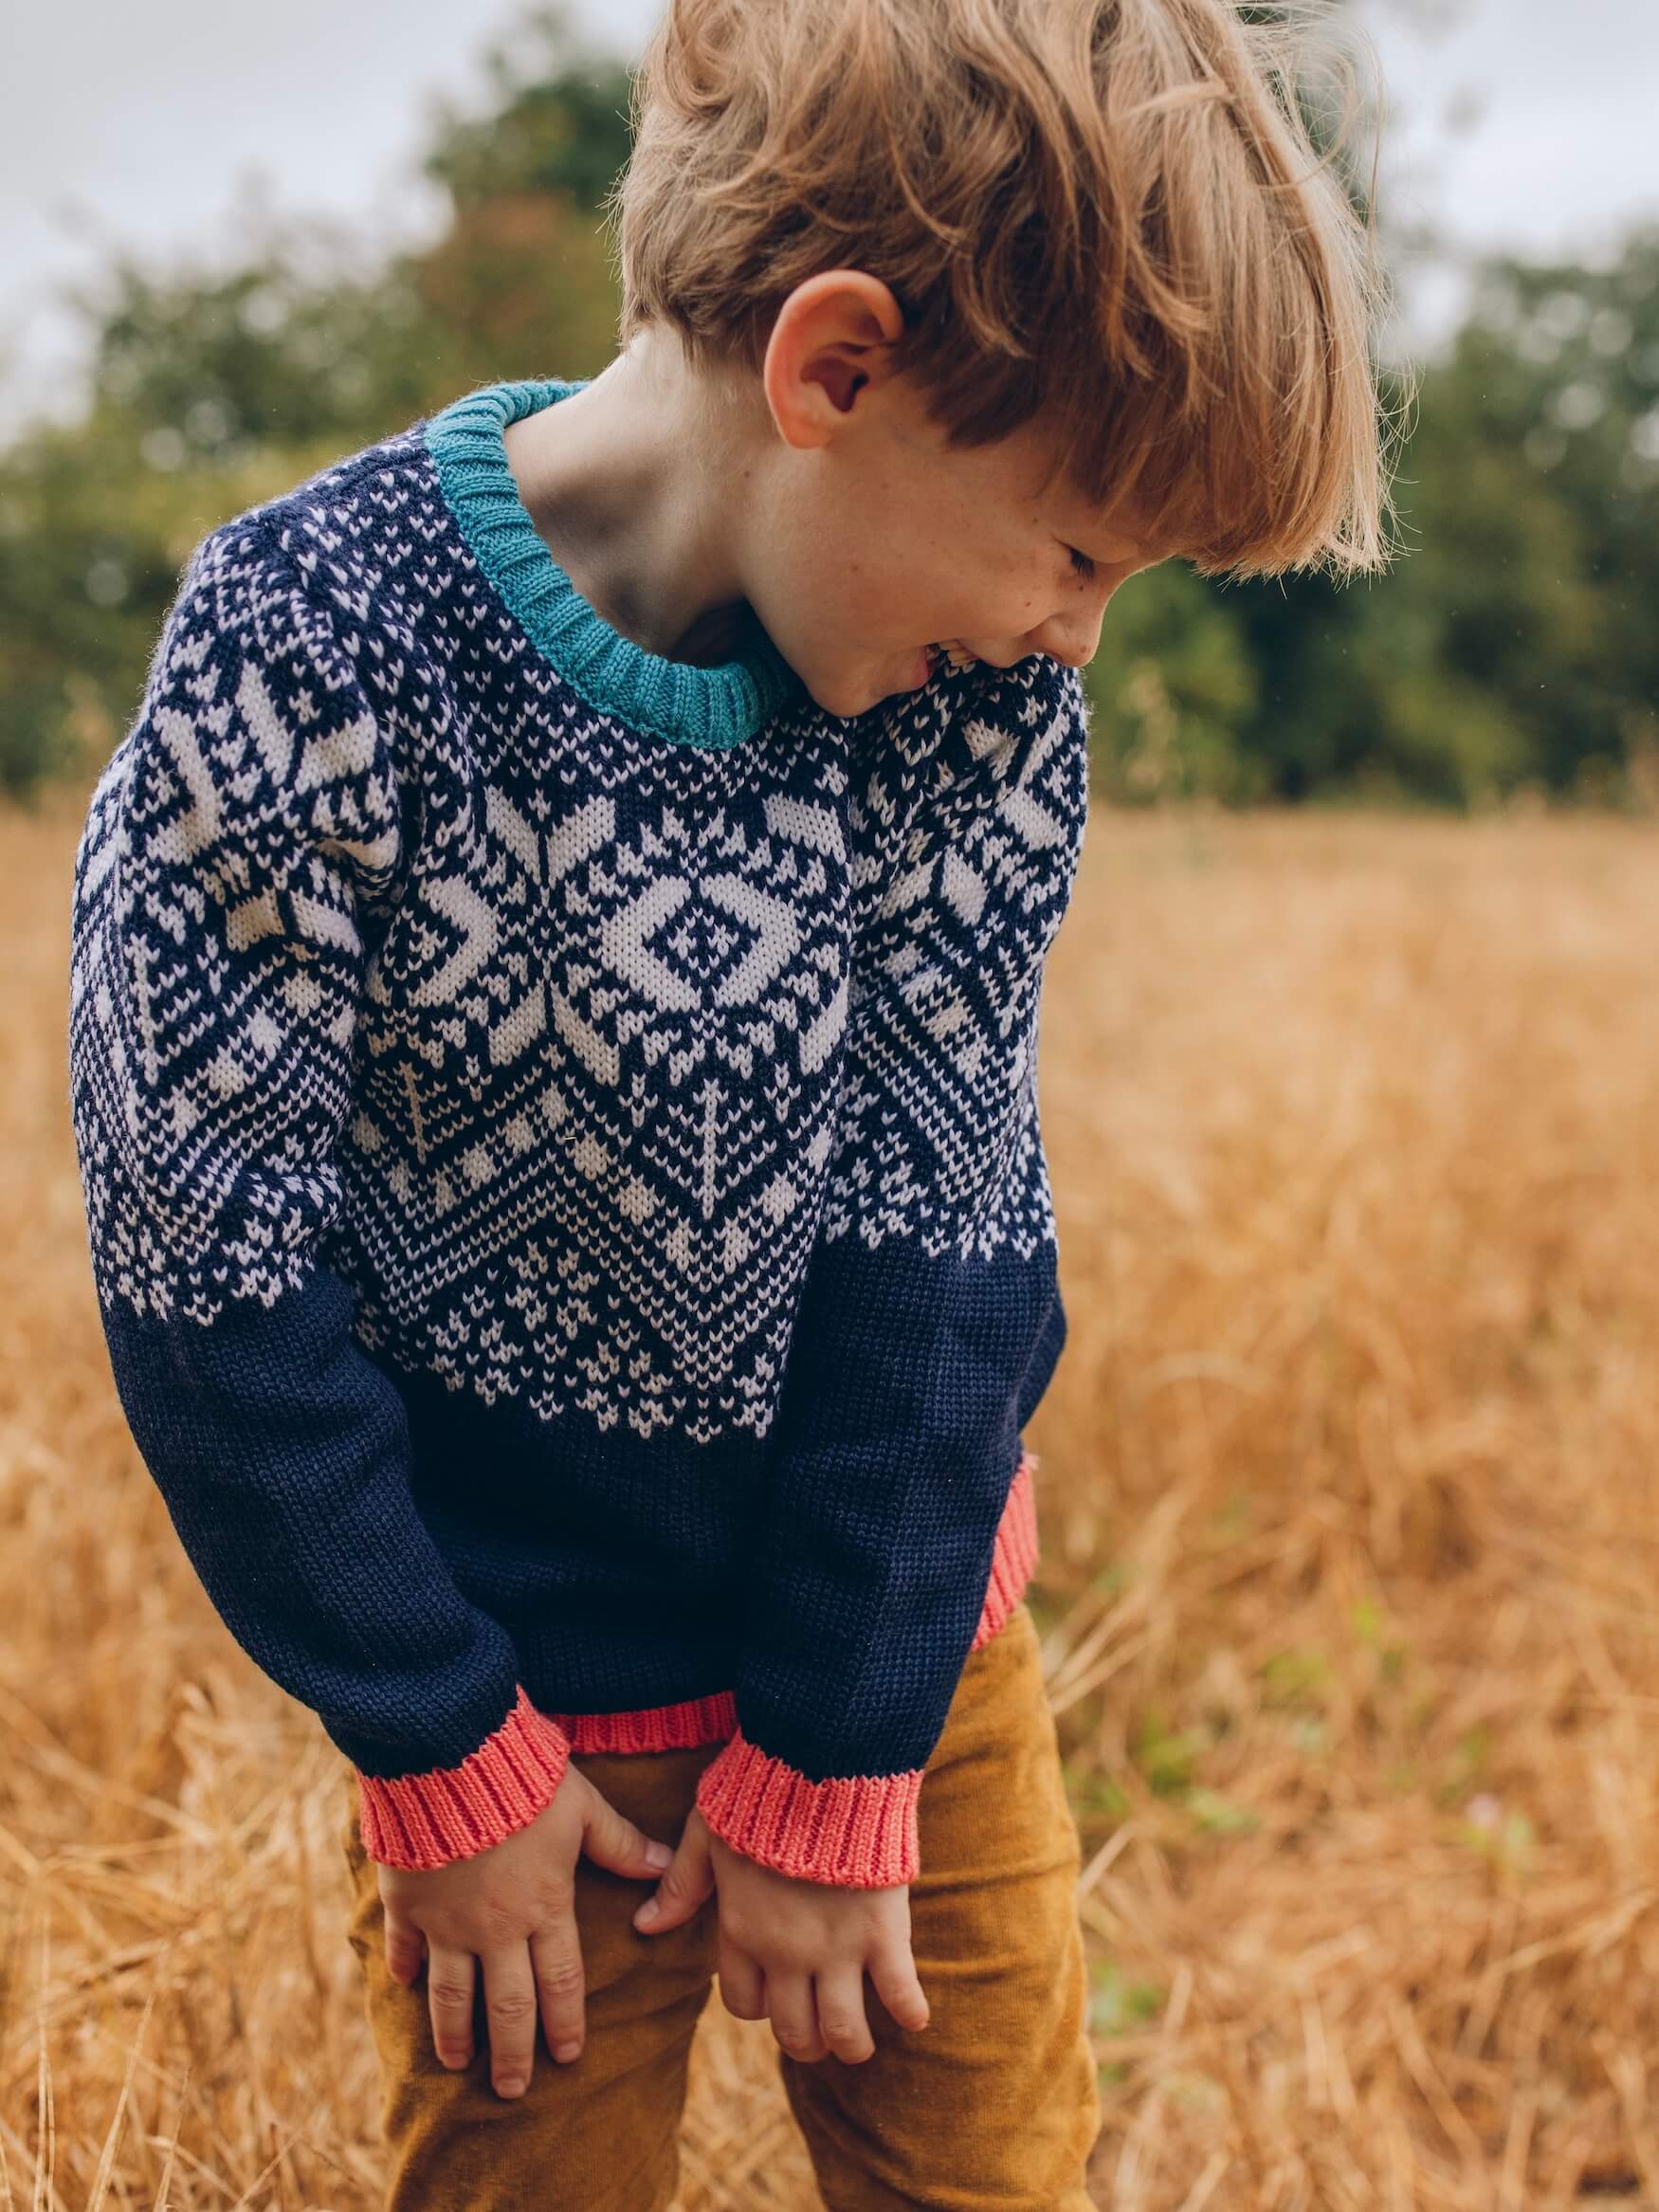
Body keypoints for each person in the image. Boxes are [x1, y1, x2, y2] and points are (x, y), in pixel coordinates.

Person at [64, 0, 1392, 2202]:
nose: (1074, 639)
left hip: (897, 1667)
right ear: (834, 372)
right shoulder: (303, 649)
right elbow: (207, 1263)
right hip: (521, 1726)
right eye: (1075, 552)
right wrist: (438, 1743)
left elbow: (942, 1251)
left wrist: (838, 1755)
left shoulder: (966, 712)